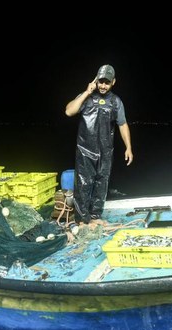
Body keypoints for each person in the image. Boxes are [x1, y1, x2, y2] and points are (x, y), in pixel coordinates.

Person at [64, 64, 133, 224]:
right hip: (85, 150)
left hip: (105, 151)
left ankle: (95, 217)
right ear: (96, 80)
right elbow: (69, 111)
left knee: (102, 183)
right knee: (83, 183)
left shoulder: (116, 102)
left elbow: (122, 124)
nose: (103, 86)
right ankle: (81, 219)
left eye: (106, 83)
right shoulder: (86, 96)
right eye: (100, 82)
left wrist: (128, 147)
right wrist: (87, 92)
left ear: (113, 82)